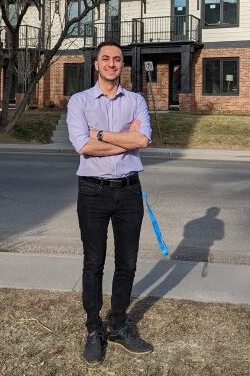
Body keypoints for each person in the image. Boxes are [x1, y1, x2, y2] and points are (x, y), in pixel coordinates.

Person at [66, 41, 154, 365]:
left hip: (130, 191)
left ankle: (117, 323)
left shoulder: (136, 100)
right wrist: (124, 140)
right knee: (94, 262)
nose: (112, 63)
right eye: (106, 58)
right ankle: (93, 329)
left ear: (122, 65)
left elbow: (143, 139)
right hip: (93, 191)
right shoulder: (79, 102)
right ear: (96, 64)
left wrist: (101, 135)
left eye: (117, 59)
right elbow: (82, 147)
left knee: (127, 263)